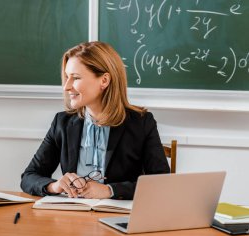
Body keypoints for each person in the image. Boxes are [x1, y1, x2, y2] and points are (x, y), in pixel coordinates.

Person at [20, 41, 169, 200]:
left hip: (118, 218)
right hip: (72, 216)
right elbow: (29, 177)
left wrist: (109, 190)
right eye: (66, 77)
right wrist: (55, 186)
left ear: (104, 81)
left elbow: (161, 183)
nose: (66, 86)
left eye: (75, 78)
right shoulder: (62, 122)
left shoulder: (141, 122)